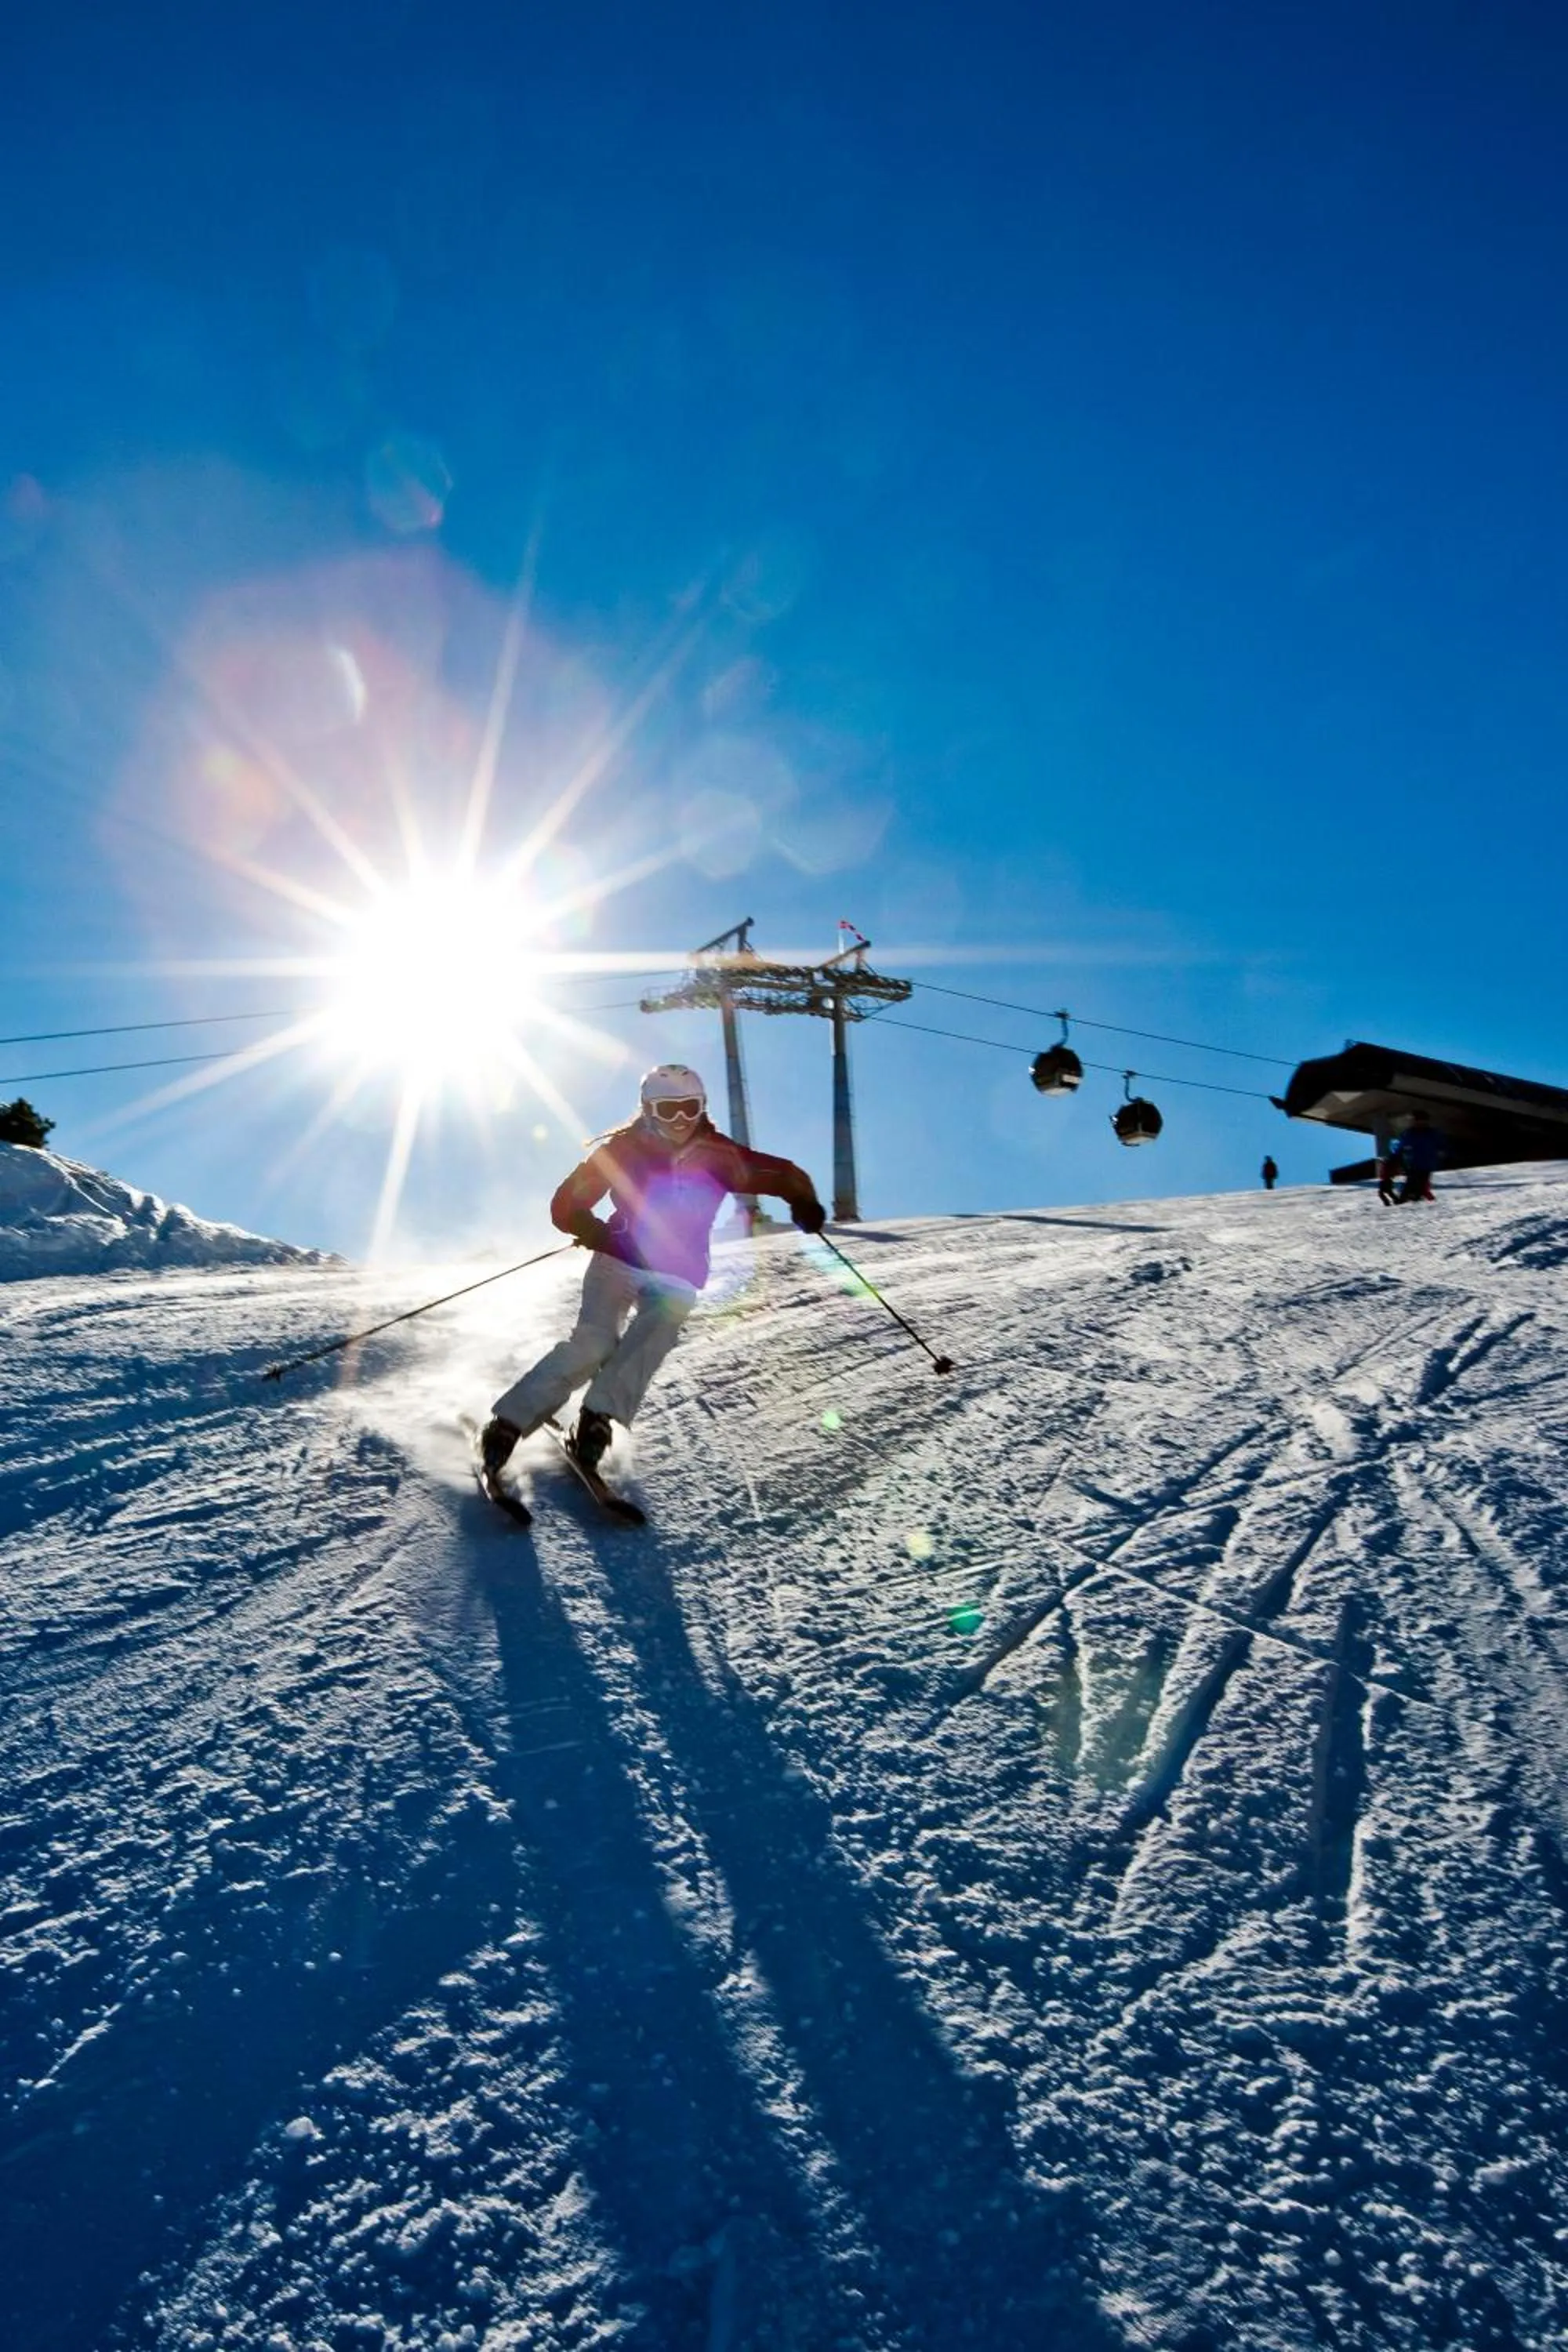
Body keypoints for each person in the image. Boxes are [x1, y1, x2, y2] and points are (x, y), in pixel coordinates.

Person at [481, 1064, 826, 1480]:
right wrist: (588, 1227)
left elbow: (783, 1174)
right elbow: (566, 1202)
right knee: (594, 1344)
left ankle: (597, 1417)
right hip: (618, 1259)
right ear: (647, 1110)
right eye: (668, 1110)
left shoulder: (720, 1155)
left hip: (677, 1272)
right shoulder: (622, 1152)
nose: (680, 1120)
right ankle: (508, 1423)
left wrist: (803, 1200)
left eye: (689, 1108)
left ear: (702, 1108)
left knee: (658, 1328)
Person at [1394, 1111, 1443, 1204]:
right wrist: (1398, 1157)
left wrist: (1442, 1152)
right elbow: (1401, 1146)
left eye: (1422, 1122)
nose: (1420, 1124)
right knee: (1412, 1181)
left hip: (1426, 1163)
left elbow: (1442, 1144)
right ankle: (1404, 1199)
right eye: (1417, 1122)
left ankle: (1415, 1197)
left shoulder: (1432, 1133)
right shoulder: (1409, 1133)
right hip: (1414, 1163)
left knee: (1422, 1182)